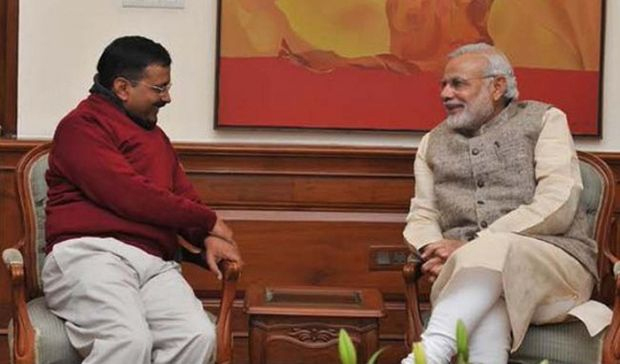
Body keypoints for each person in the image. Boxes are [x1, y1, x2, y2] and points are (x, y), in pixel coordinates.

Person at [400, 43, 610, 363]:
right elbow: (423, 213)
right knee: (488, 290)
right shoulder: (432, 142)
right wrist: (434, 249)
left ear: (497, 86)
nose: (445, 93)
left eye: (458, 83)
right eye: (442, 84)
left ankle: (427, 356)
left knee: (493, 254)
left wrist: (474, 246)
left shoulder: (545, 120)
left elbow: (558, 201)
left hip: (555, 269)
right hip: (474, 274)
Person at [41, 35, 243, 364]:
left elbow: (181, 197)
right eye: (159, 89)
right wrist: (209, 222)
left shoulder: (156, 138)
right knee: (127, 339)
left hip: (153, 264)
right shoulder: (81, 127)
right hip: (90, 255)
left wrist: (206, 236)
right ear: (122, 88)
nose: (167, 98)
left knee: (196, 335)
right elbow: (129, 194)